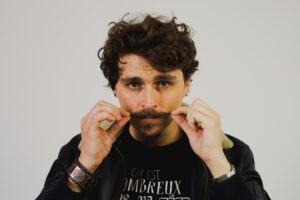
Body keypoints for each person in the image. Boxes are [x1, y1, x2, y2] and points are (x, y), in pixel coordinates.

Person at [36, 14, 271, 200]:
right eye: (134, 84)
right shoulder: (81, 150)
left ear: (186, 85)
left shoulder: (231, 154)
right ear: (114, 87)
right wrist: (86, 163)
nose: (149, 101)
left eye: (164, 83)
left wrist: (216, 162)